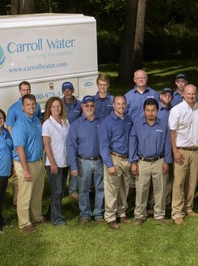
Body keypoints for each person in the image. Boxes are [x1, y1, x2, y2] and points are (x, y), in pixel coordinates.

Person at [169, 84, 198, 224]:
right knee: (179, 182)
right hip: (181, 151)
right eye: (188, 94)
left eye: (193, 94)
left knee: (192, 181)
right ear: (183, 94)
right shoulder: (177, 110)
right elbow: (172, 132)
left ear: (196, 94)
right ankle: (177, 212)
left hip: (196, 150)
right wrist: (175, 151)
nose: (191, 96)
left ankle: (188, 207)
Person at [130, 98, 173, 224]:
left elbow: (167, 144)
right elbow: (132, 144)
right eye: (147, 110)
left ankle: (159, 214)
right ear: (144, 111)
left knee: (160, 189)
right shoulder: (137, 125)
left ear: (157, 111)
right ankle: (139, 215)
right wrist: (133, 162)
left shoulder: (163, 125)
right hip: (142, 162)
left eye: (153, 110)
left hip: (159, 161)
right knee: (141, 189)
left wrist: (167, 161)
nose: (150, 113)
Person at [67, 96, 105, 224]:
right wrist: (73, 166)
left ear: (95, 106)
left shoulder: (102, 122)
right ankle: (85, 214)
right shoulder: (75, 125)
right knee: (83, 189)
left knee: (100, 188)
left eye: (92, 105)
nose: (89, 108)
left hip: (99, 160)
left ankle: (99, 213)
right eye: (86, 105)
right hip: (83, 162)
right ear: (82, 106)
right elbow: (71, 146)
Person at [11, 94, 45, 233]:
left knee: (37, 192)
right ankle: (24, 223)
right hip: (25, 164)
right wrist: (25, 170)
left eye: (33, 104)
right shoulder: (20, 124)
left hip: (37, 161)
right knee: (24, 194)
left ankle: (36, 216)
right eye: (28, 104)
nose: (31, 107)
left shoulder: (36, 120)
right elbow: (19, 149)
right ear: (22, 107)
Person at [100, 95, 133, 229]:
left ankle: (121, 212)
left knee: (124, 188)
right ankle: (110, 216)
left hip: (126, 158)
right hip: (114, 158)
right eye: (118, 104)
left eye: (123, 104)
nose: (121, 106)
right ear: (113, 105)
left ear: (126, 105)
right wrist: (109, 164)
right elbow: (103, 146)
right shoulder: (107, 122)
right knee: (111, 189)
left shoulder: (128, 119)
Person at [42, 96, 70, 226]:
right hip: (54, 163)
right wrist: (53, 163)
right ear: (49, 109)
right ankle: (57, 219)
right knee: (57, 192)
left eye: (58, 106)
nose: (56, 108)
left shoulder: (65, 122)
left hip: (65, 162)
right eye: (53, 106)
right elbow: (46, 145)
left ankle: (50, 214)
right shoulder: (47, 124)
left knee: (59, 191)